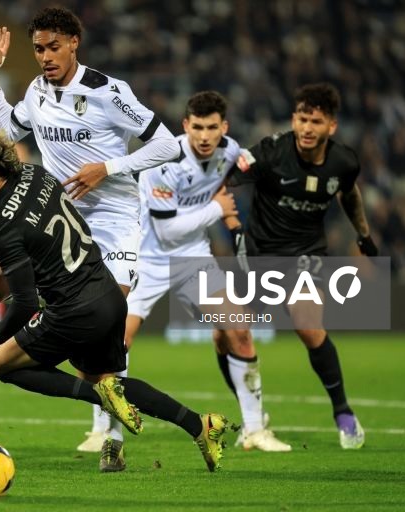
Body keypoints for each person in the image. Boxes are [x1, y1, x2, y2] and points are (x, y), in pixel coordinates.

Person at [0, 124, 228, 474]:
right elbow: (39, 230)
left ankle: (100, 400)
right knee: (109, 380)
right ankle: (201, 425)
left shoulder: (3, 229)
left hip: (72, 310)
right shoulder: (36, 176)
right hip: (108, 296)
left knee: (2, 364)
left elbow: (24, 305)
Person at [0, 6, 180, 466]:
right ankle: (107, 416)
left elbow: (167, 143)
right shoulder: (34, 89)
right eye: (38, 49)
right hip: (65, 223)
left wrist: (107, 168)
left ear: (74, 43)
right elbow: (9, 130)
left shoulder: (109, 92)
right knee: (89, 344)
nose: (45, 56)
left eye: (53, 46)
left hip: (115, 220)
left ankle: (112, 436)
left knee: (111, 325)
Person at [125, 91, 291, 453]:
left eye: (211, 127)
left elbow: (245, 173)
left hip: (193, 259)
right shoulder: (163, 160)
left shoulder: (230, 152)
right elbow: (167, 230)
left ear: (224, 128)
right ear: (185, 126)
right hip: (145, 259)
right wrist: (219, 210)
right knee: (114, 344)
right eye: (197, 127)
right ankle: (104, 431)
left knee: (239, 331)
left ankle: (253, 429)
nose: (203, 136)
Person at [229, 83, 376, 449]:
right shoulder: (270, 152)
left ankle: (343, 412)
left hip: (305, 255)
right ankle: (252, 418)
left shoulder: (344, 161)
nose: (307, 128)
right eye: (301, 118)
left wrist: (363, 234)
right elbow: (224, 177)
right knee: (227, 333)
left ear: (332, 126)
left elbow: (349, 192)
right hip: (258, 252)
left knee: (308, 325)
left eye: (316, 121)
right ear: (293, 119)